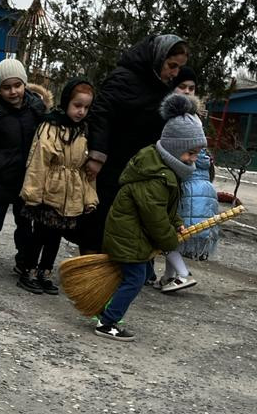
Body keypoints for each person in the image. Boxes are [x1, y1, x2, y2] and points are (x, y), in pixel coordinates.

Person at [93, 93, 206, 340]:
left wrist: (176, 223)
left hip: (134, 236)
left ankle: (104, 310)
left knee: (133, 276)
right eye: (191, 153)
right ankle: (107, 322)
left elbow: (165, 209)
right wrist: (169, 241)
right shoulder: (156, 176)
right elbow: (154, 216)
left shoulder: (163, 169)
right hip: (128, 236)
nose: (194, 159)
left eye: (197, 153)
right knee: (135, 279)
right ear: (176, 148)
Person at [79, 33, 190, 253]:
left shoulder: (161, 87)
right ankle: (91, 266)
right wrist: (97, 154)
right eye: (172, 65)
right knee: (101, 218)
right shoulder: (123, 78)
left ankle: (117, 270)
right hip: (112, 164)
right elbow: (101, 114)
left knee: (129, 222)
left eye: (179, 67)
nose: (175, 73)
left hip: (140, 167)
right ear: (158, 58)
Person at [0, 58, 51, 281]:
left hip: (28, 178)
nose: (13, 91)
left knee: (25, 224)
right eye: (6, 87)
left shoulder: (37, 109)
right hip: (2, 176)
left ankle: (24, 261)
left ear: (24, 84)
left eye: (17, 85)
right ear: (0, 89)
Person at [18, 78, 96, 294]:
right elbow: (38, 160)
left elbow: (84, 169)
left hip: (70, 193)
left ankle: (45, 270)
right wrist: (33, 192)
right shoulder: (50, 126)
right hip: (48, 189)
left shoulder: (83, 131)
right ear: (66, 102)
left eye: (86, 107)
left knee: (55, 236)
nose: (81, 111)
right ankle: (29, 270)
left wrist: (89, 197)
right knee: (40, 233)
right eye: (77, 105)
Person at [155, 85, 218, 293]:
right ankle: (168, 277)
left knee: (168, 235)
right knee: (176, 237)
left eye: (191, 87)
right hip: (203, 189)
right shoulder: (197, 126)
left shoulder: (184, 128)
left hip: (188, 192)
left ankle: (183, 274)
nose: (187, 91)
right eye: (183, 87)